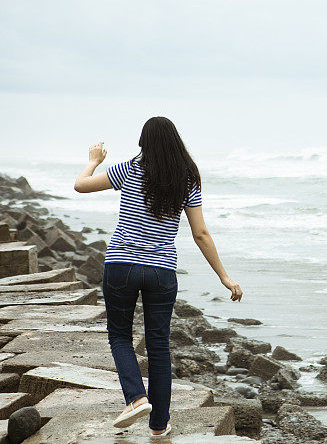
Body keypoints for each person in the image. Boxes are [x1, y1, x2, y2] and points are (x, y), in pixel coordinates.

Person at [74, 116, 242, 436]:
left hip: (121, 266)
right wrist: (223, 276)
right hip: (162, 271)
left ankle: (136, 398)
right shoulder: (188, 178)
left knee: (120, 336)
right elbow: (201, 233)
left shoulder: (129, 169)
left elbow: (80, 185)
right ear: (176, 142)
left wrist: (93, 161)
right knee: (159, 345)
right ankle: (159, 425)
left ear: (143, 144)